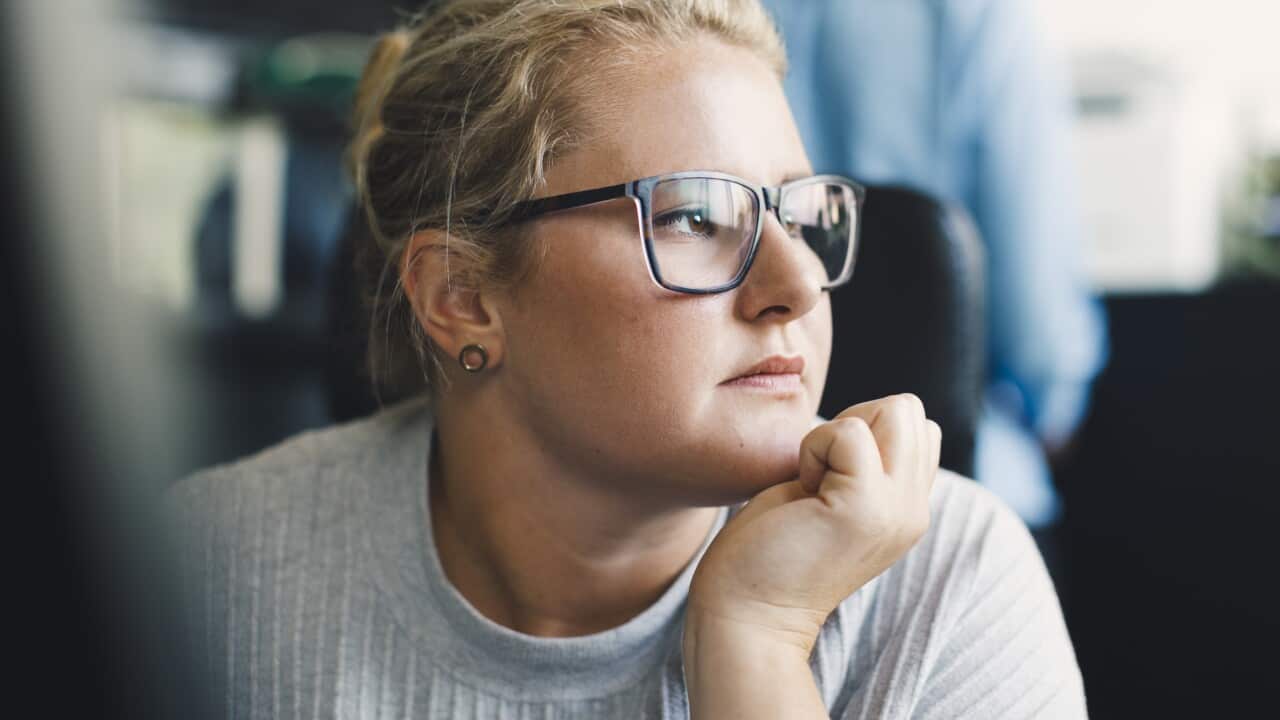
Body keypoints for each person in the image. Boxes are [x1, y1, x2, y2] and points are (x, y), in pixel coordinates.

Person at [166, 1, 1087, 717]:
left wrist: (756, 642)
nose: (800, 285)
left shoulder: (949, 585)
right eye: (692, 216)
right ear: (461, 296)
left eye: (799, 215)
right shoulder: (204, 576)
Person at [758, 0, 1110, 531]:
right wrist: (1054, 403)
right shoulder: (976, 14)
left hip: (749, 480)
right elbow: (1036, 310)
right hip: (957, 489)